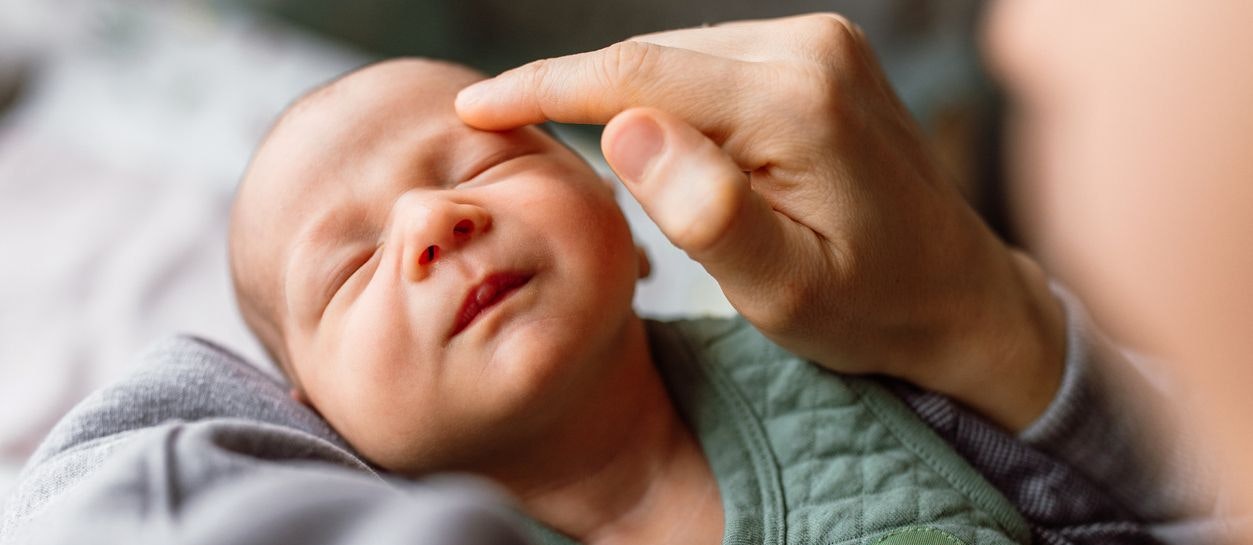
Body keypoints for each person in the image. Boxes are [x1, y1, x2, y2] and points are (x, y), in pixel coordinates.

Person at [224, 57, 1044, 545]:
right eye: (351, 268)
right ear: (315, 415)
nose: (432, 220)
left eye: (476, 167)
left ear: (622, 204)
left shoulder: (850, 351)